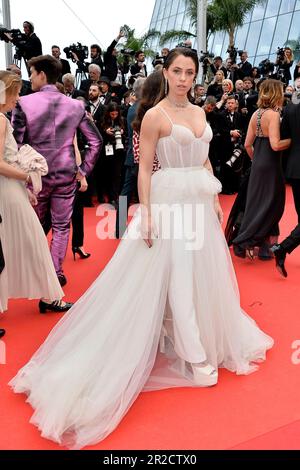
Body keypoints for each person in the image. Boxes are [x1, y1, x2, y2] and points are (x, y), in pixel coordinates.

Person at [10, 48, 273, 450]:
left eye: (190, 72)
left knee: (203, 273)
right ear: (165, 73)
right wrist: (146, 213)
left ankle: (190, 337)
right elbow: (147, 168)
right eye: (177, 72)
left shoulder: (201, 114)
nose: (184, 78)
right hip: (168, 203)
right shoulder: (154, 116)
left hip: (198, 205)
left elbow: (203, 164)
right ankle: (192, 350)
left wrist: (212, 200)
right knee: (179, 276)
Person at [12, 55, 102, 287]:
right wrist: (83, 170)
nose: (30, 78)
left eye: (31, 73)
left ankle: (35, 273)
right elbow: (96, 141)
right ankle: (55, 274)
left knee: (35, 226)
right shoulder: (75, 105)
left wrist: (22, 174)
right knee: (62, 227)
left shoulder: (24, 103)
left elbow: (16, 144)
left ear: (42, 75)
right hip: (66, 174)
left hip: (36, 176)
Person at [0, 71, 71, 314]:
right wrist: (26, 176)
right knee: (34, 241)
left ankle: (48, 297)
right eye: (16, 93)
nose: (18, 98)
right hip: (7, 189)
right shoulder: (0, 120)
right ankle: (50, 297)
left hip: (10, 188)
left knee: (9, 243)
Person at [233, 80, 291, 260]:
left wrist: (257, 161)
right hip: (272, 166)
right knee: (273, 205)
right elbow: (275, 144)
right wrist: (292, 141)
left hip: (258, 164)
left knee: (257, 204)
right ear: (276, 93)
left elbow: (247, 144)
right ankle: (249, 242)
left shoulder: (256, 114)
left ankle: (259, 245)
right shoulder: (273, 115)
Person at [271, 101, 300, 277]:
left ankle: (281, 249)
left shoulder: (290, 109)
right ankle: (282, 249)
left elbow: (286, 139)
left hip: (295, 168)